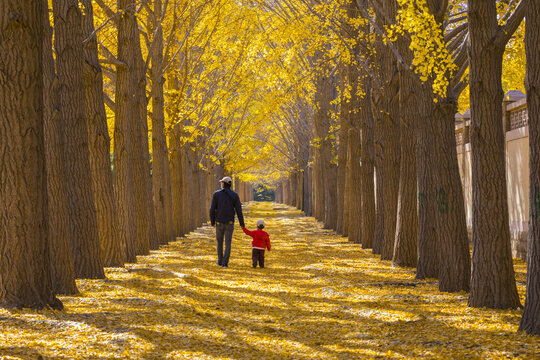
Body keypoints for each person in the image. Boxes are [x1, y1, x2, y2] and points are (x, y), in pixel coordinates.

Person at [209, 176, 245, 268]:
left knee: (219, 242)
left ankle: (220, 261)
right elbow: (238, 211)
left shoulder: (216, 194)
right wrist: (242, 224)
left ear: (224, 183)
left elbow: (212, 209)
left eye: (222, 182)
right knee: (228, 243)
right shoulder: (234, 195)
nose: (221, 184)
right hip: (229, 222)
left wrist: (212, 222)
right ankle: (225, 263)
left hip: (219, 222)